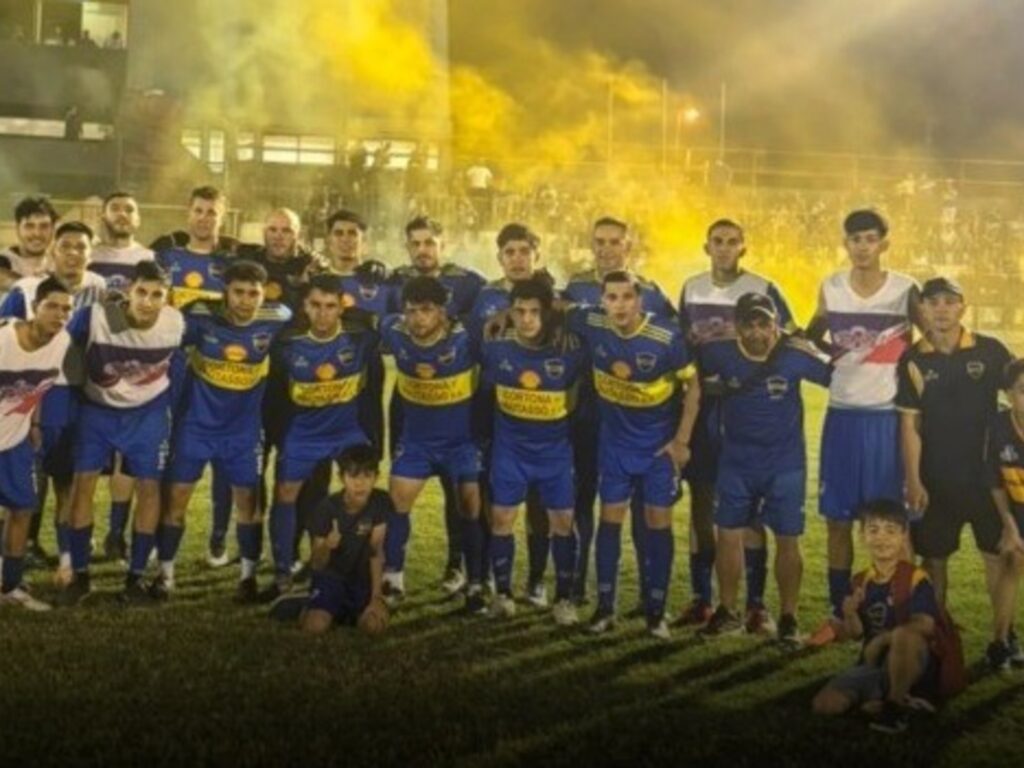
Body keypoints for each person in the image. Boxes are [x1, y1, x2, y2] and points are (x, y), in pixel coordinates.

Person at [806, 209, 920, 645]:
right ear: (846, 244)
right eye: (855, 239)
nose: (862, 246)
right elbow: (813, 333)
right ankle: (841, 613)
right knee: (837, 521)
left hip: (885, 420)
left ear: (883, 244)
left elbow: (926, 343)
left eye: (870, 239)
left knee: (892, 523)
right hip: (841, 417)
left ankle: (901, 612)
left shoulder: (904, 288)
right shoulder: (832, 286)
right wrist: (832, 357)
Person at [677, 218, 796, 632]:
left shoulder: (762, 287)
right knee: (701, 501)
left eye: (732, 242)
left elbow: (789, 336)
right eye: (718, 241)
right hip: (705, 408)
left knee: (750, 509)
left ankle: (755, 606)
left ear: (743, 247)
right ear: (706, 246)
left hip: (747, 408)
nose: (724, 248)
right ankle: (702, 599)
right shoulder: (692, 288)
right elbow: (683, 344)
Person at [567, 270, 699, 638]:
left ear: (639, 300)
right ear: (602, 301)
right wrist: (503, 316)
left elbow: (694, 385)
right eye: (612, 297)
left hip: (657, 450)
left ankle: (656, 613)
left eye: (627, 297)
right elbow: (552, 307)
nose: (620, 305)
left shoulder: (666, 336)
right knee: (609, 522)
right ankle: (605, 608)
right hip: (615, 447)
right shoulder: (591, 321)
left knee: (658, 524)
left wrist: (681, 441)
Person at [695, 293, 831, 647]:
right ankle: (727, 611)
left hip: (785, 464)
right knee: (728, 535)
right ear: (736, 327)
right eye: (749, 325)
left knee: (788, 538)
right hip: (735, 462)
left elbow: (836, 377)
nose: (757, 332)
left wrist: (819, 341)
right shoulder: (717, 353)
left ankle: (788, 617)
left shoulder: (794, 356)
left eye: (764, 324)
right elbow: (689, 372)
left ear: (776, 325)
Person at [153, 261, 291, 603]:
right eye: (238, 292)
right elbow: (160, 333)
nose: (246, 301)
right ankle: (165, 575)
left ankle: (247, 577)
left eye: (253, 293)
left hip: (243, 433)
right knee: (176, 501)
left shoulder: (277, 318)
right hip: (195, 428)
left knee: (249, 505)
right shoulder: (200, 317)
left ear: (263, 294)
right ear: (225, 292)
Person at [897, 277, 1015, 668]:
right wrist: (913, 480)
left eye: (950, 302)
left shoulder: (990, 350)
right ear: (923, 309)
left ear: (963, 306)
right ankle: (937, 639)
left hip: (986, 481)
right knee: (934, 560)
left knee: (997, 558)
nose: (942, 309)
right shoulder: (913, 359)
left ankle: (1002, 639)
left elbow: (1018, 391)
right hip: (936, 481)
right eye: (933, 302)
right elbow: (910, 425)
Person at [563, 216, 676, 607]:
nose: (607, 248)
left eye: (615, 242)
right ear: (591, 245)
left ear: (628, 247)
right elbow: (553, 318)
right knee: (583, 497)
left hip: (637, 418)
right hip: (587, 409)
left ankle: (648, 591)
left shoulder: (651, 292)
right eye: (600, 241)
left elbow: (672, 346)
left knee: (645, 507)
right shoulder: (576, 286)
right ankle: (578, 582)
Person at [59, 261, 184, 605]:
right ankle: (80, 576)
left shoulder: (176, 322)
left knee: (149, 488)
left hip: (147, 413)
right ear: (129, 290)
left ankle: (135, 578)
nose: (147, 301)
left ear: (167, 297)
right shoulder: (96, 316)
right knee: (82, 484)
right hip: (96, 410)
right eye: (141, 291)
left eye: (157, 294)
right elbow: (61, 345)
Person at [0, 222, 106, 575]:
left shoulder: (100, 288)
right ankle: (21, 550)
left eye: (81, 247)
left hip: (78, 397)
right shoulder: (26, 288)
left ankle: (66, 558)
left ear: (91, 253)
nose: (73, 253)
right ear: (53, 251)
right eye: (66, 246)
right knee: (28, 479)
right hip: (33, 397)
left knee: (68, 480)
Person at [387, 217, 485, 597]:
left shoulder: (469, 298)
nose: (423, 249)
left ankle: (466, 572)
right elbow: (359, 315)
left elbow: (505, 309)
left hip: (461, 431)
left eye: (430, 242)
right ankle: (392, 576)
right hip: (413, 424)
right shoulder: (394, 310)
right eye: (416, 243)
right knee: (398, 498)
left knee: (465, 501)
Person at [265, 274, 378, 600]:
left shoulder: (361, 337)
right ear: (305, 306)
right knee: (285, 493)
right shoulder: (287, 343)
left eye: (330, 306)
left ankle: (357, 570)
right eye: (315, 305)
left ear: (342, 307)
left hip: (347, 430)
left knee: (360, 495)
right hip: (304, 431)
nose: (323, 313)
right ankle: (282, 572)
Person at [481, 277, 585, 625]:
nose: (526, 319)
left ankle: (564, 599)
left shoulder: (570, 348)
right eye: (520, 311)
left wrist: (567, 316)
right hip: (510, 451)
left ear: (547, 313)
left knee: (562, 523)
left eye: (534, 312)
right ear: (510, 312)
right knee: (501, 520)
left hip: (555, 453)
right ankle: (503, 595)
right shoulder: (495, 347)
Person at [152, 185, 241, 568]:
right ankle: (157, 533)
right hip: (173, 369)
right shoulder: (165, 256)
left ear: (223, 217)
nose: (204, 218)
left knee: (223, 458)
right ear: (188, 213)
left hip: (220, 373)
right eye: (199, 210)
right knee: (167, 452)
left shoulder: (233, 261)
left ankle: (218, 538)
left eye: (212, 212)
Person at [469, 222, 557, 606]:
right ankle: (491, 572)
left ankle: (536, 580)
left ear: (537, 255)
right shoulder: (485, 296)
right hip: (494, 405)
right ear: (499, 257)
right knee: (493, 493)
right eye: (510, 252)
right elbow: (474, 347)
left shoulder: (555, 298)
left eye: (524, 251)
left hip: (540, 410)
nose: (517, 259)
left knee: (539, 498)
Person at [812, 499, 940, 735]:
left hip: (911, 661)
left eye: (890, 531)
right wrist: (850, 614)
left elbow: (926, 625)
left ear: (904, 536)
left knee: (904, 634)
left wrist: (882, 640)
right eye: (873, 530)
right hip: (873, 664)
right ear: (862, 536)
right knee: (825, 705)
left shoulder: (916, 578)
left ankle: (894, 706)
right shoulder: (860, 581)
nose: (882, 538)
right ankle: (887, 701)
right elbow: (855, 634)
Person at [0, 277, 75, 610]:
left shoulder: (62, 341)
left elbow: (39, 385)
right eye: (52, 306)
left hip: (15, 438)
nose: (59, 315)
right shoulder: (4, 339)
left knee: (22, 508)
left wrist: (34, 423)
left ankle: (10, 586)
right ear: (33, 308)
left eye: (66, 309)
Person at [297, 445, 391, 635]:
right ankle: (305, 603)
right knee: (315, 626)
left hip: (362, 580)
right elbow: (317, 563)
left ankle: (344, 610)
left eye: (367, 476)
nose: (360, 483)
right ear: (341, 478)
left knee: (373, 627)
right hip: (331, 577)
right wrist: (327, 546)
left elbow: (376, 551)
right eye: (353, 476)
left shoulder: (380, 501)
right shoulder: (327, 508)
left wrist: (376, 597)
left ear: (376, 477)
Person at [987, 358, 1024, 669]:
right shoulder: (999, 426)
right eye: (1023, 390)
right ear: (1008, 394)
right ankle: (1000, 643)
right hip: (1017, 511)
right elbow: (995, 482)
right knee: (1011, 557)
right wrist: (1009, 526)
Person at [0, 196, 59, 300]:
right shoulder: (4, 260)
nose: (37, 233)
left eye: (44, 226)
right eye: (29, 226)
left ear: (53, 229)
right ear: (18, 228)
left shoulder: (58, 262)